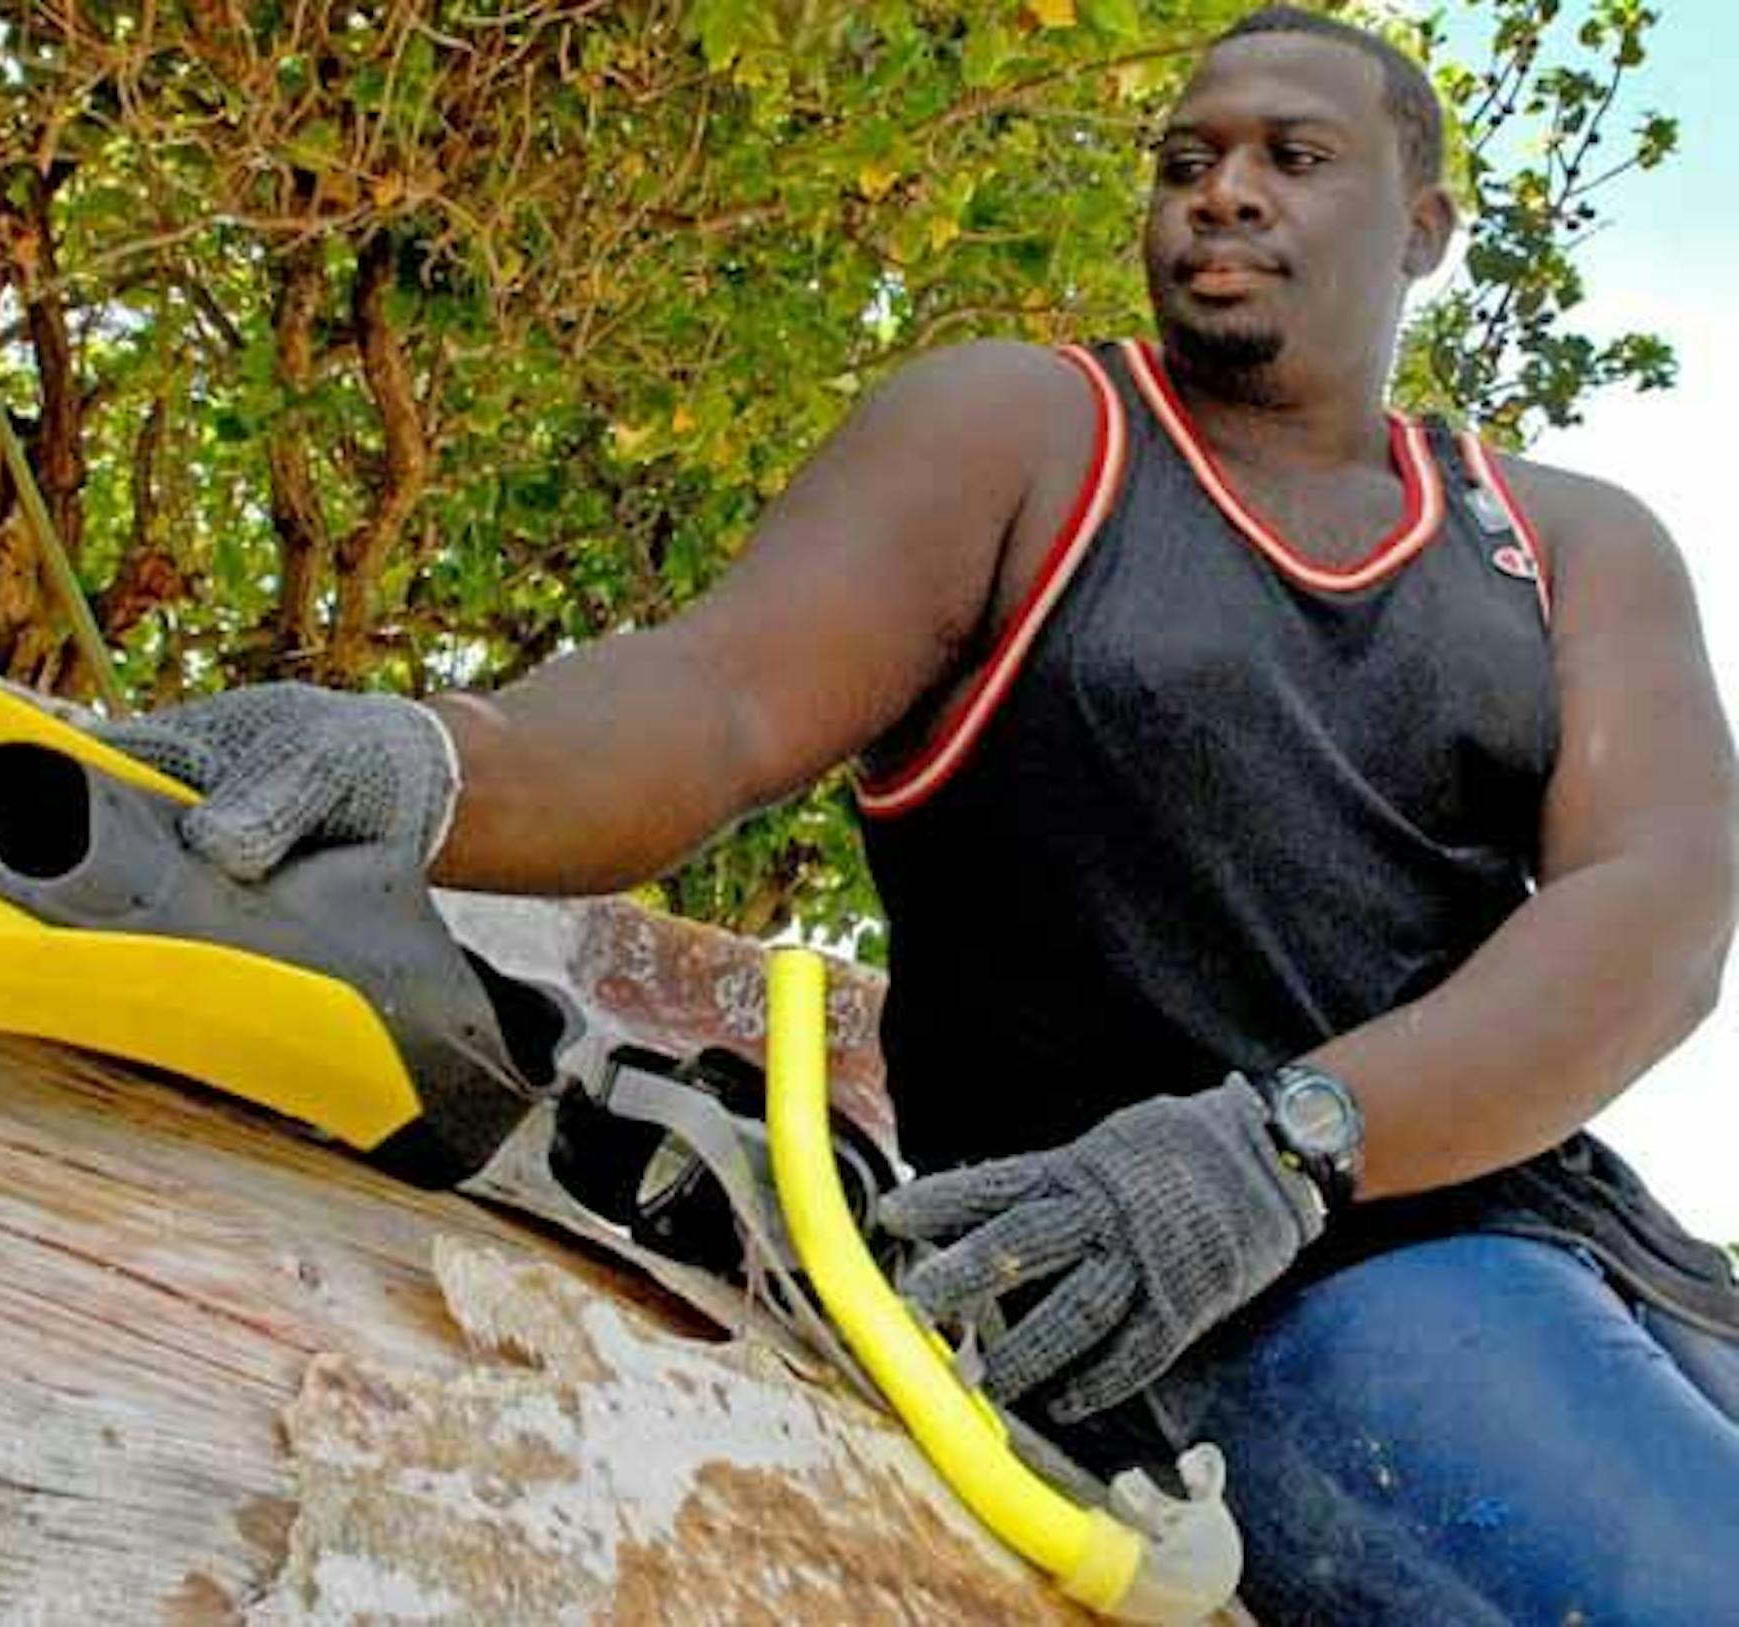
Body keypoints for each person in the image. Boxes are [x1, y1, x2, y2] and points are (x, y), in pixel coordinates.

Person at [102, 7, 1739, 1618]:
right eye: (1188, 158)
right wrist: (440, 756)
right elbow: (722, 697)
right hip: (1244, 1313)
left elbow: (1655, 911)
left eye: (1293, 158)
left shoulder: (1562, 543)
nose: (1223, 193)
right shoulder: (1026, 437)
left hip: (1582, 1253)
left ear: (1427, 228)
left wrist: (1290, 1139)